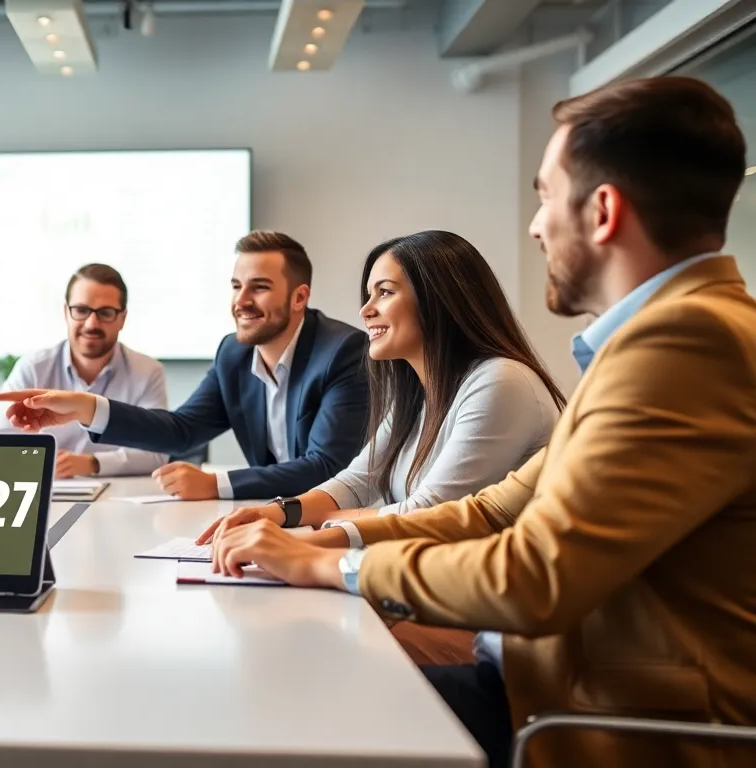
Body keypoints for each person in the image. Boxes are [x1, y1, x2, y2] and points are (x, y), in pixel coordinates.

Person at [206, 77, 756, 768]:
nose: (534, 225)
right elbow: (493, 507)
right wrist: (311, 542)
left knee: (292, 708)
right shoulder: (658, 339)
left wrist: (334, 565)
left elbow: (535, 575)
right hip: (546, 681)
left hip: (611, 722)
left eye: (546, 197)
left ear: (605, 211)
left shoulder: (688, 344)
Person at [198, 229, 566, 664]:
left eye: (384, 292)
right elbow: (359, 478)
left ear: (438, 300)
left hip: (490, 623)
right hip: (430, 593)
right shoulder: (418, 388)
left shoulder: (501, 381)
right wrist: (278, 512)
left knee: (312, 644)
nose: (365, 310)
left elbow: (430, 514)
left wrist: (316, 537)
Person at [0, 231, 370, 500]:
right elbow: (182, 431)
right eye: (236, 286)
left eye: (259, 287)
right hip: (270, 513)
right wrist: (85, 407)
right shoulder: (233, 354)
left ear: (299, 296)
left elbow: (325, 466)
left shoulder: (341, 351)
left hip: (335, 516)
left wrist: (215, 484)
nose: (242, 300)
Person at [0, 264, 167, 478]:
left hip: (120, 495)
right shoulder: (34, 368)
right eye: (81, 311)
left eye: (106, 313)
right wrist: (40, 461)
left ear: (122, 319)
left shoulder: (148, 371)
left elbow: (158, 452)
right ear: (66, 312)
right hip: (50, 491)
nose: (91, 323)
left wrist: (92, 463)